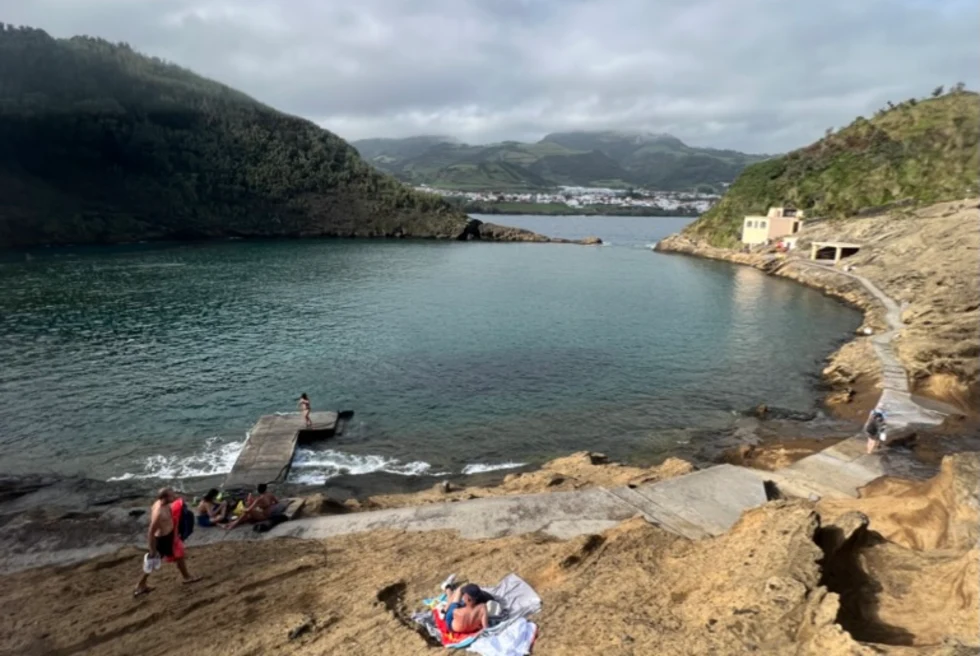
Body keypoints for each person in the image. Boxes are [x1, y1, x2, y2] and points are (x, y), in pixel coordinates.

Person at [134, 487, 201, 596]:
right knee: (152, 562)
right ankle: (140, 585)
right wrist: (152, 549)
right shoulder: (159, 513)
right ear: (165, 497)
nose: (174, 496)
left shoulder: (162, 503)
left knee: (179, 556)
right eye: (172, 495)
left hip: (169, 535)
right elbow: (151, 532)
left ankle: (186, 577)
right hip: (162, 539)